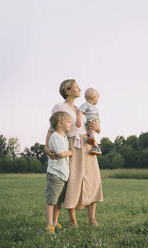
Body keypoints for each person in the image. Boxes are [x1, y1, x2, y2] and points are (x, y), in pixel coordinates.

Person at [44, 79, 103, 228]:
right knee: (74, 180)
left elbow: (92, 126)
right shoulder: (60, 107)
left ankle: (92, 218)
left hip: (87, 145)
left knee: (93, 178)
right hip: (72, 144)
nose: (80, 89)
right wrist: (46, 147)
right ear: (67, 91)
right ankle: (72, 220)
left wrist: (96, 127)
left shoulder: (81, 108)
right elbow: (52, 128)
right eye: (76, 88)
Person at [45, 111, 72, 234]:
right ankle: (50, 224)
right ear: (60, 123)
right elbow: (61, 154)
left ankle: (55, 223)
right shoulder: (55, 136)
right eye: (69, 122)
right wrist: (71, 152)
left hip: (63, 174)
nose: (70, 124)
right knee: (52, 201)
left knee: (58, 202)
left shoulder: (64, 137)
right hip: (55, 174)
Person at [76, 88, 102, 155]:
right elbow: (80, 112)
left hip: (94, 124)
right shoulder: (86, 105)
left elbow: (98, 118)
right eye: (98, 98)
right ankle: (95, 146)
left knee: (93, 126)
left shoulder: (95, 108)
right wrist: (78, 120)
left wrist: (99, 128)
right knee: (91, 131)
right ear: (94, 98)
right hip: (88, 124)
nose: (98, 100)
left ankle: (95, 146)